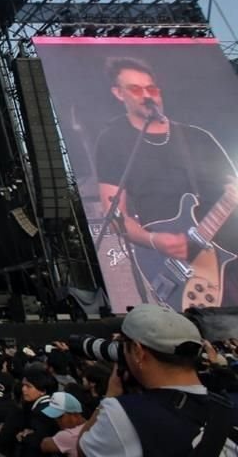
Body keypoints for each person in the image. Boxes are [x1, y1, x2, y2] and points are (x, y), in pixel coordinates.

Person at [94, 56, 238, 305]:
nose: (147, 95)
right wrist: (153, 240)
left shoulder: (197, 138)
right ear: (118, 93)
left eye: (151, 88)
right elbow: (115, 215)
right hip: (171, 262)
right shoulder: (113, 142)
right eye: (136, 89)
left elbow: (231, 185)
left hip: (229, 249)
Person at [78, 304, 238, 456]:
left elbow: (83, 450)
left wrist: (111, 395)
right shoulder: (228, 404)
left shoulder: (123, 414)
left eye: (123, 345)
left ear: (137, 351)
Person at [35, 392, 85, 456]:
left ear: (74, 415)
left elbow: (44, 445)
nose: (57, 420)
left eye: (60, 417)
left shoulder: (68, 435)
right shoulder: (91, 426)